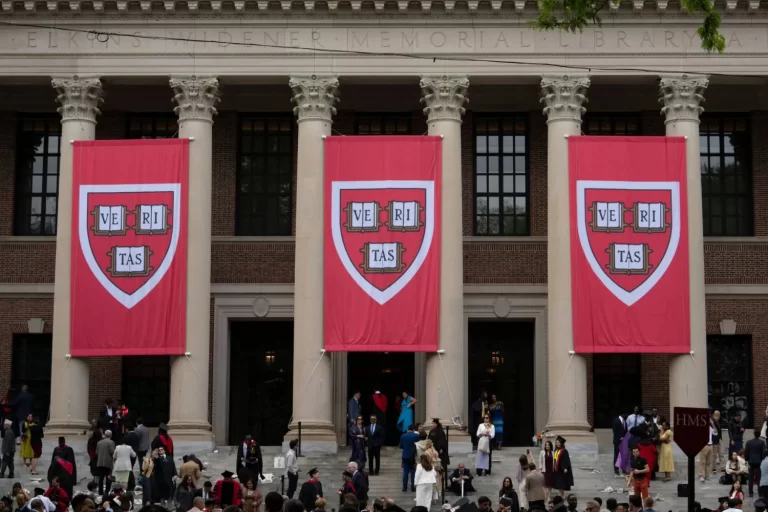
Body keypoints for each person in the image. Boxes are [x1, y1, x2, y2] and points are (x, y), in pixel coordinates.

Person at [743, 428, 766, 496]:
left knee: (751, 477)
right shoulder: (761, 442)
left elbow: (746, 452)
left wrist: (747, 459)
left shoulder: (749, 442)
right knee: (759, 477)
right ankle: (760, 492)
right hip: (759, 461)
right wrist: (762, 459)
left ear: (754, 434)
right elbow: (763, 452)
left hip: (751, 461)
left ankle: (750, 492)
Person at [399, 425, 420, 492]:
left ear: (408, 429)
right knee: (413, 472)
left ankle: (404, 487)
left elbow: (401, 446)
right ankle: (412, 487)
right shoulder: (416, 436)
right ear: (413, 429)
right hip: (413, 456)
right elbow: (418, 446)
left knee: (405, 472)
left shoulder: (403, 436)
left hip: (405, 455)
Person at [95, 430, 115, 496]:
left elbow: (96, 452)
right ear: (111, 435)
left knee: (101, 478)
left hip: (100, 462)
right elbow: (112, 452)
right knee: (108, 478)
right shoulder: (111, 442)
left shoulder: (99, 442)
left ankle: (100, 492)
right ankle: (107, 492)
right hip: (108, 463)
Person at [699, 418, 717, 482]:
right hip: (704, 445)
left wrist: (712, 423)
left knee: (708, 462)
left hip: (710, 445)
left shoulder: (710, 427)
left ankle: (707, 475)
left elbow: (715, 433)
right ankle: (701, 475)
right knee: (702, 461)